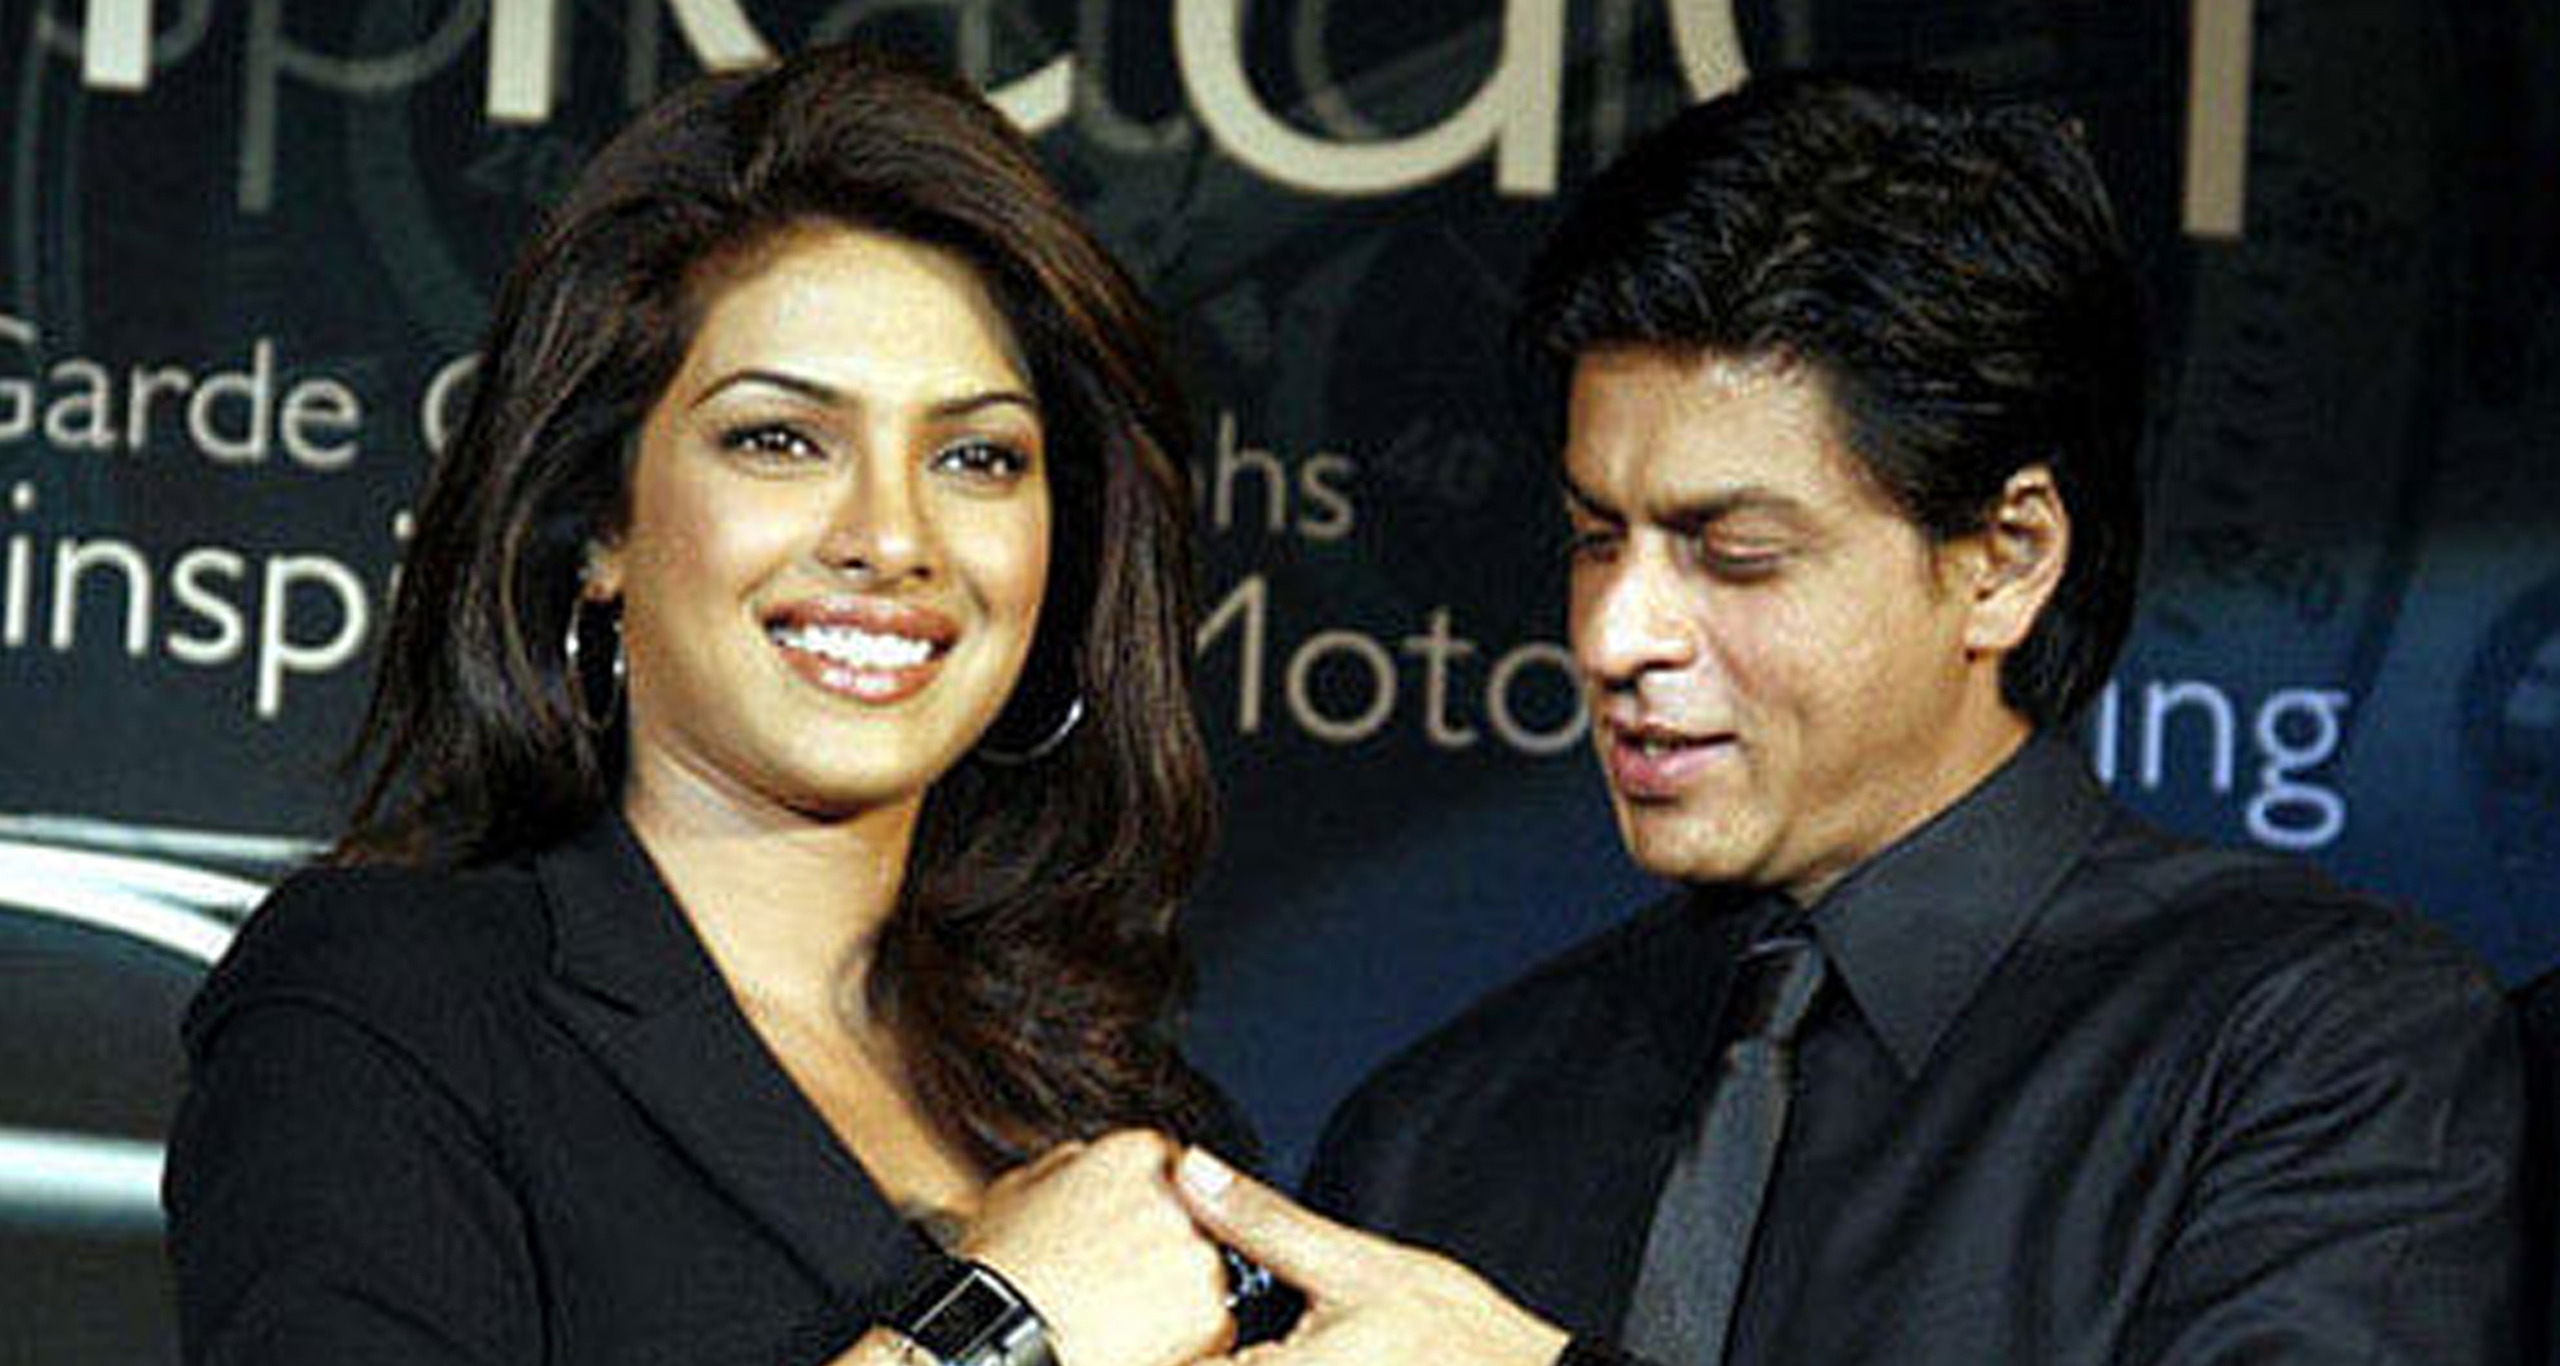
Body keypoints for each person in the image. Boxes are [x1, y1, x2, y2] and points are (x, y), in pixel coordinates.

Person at [1167, 72, 2531, 1365]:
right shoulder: (1432, 1134)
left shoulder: (2316, 1054)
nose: (1616, 635)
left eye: (1736, 555)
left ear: (2005, 559)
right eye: (1595, 537)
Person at [163, 43, 1245, 1366]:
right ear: (598, 526)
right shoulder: (396, 1004)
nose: (891, 536)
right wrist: (1002, 1331)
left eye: (977, 456)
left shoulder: (1139, 1128)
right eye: (779, 439)